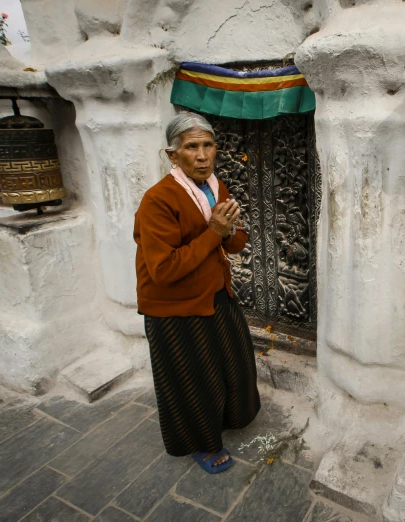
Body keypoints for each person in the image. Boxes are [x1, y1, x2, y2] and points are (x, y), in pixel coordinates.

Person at [133, 112, 260, 474]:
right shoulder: (158, 200)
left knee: (233, 363)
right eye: (191, 147)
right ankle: (201, 443)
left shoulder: (215, 187)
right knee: (192, 379)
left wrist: (232, 230)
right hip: (173, 308)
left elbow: (232, 242)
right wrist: (214, 233)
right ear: (173, 156)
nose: (202, 155)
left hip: (214, 295)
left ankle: (229, 417)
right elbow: (164, 270)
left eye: (208, 145)